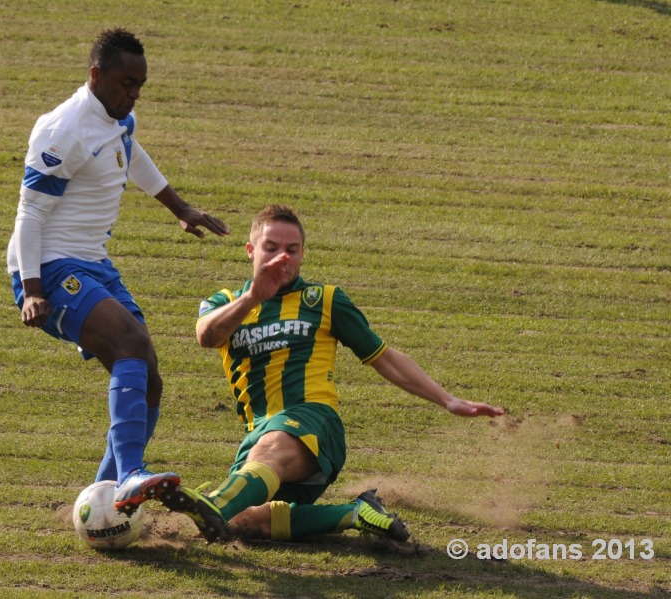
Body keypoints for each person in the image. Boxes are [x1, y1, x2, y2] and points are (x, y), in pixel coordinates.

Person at [159, 204, 504, 543]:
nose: (283, 257)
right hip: (260, 433)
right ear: (251, 251)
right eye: (271, 248)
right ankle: (355, 513)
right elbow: (207, 337)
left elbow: (383, 356)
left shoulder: (323, 300)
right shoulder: (225, 301)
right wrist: (252, 297)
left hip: (313, 420)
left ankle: (214, 502)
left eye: (292, 250)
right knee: (245, 522)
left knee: (252, 472)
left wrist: (448, 400)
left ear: (303, 254)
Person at [6, 28, 229, 514]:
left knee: (148, 378)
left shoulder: (116, 116)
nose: (134, 94)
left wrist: (179, 207)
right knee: (131, 341)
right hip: (48, 266)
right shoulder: (63, 132)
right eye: (127, 83)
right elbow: (30, 215)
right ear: (95, 75)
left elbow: (131, 152)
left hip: (93, 263)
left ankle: (103, 501)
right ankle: (130, 474)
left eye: (139, 86)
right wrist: (31, 290)